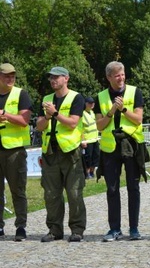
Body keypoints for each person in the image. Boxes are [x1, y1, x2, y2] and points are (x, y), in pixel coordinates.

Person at [95, 61, 147, 241]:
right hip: (110, 147)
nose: (121, 78)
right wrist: (111, 111)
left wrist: (124, 109)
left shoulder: (135, 92)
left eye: (123, 74)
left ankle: (134, 228)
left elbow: (138, 119)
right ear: (109, 77)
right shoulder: (100, 96)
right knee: (112, 188)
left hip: (130, 145)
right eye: (117, 75)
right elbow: (99, 125)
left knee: (133, 187)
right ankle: (114, 228)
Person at [37, 66, 87, 242]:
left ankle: (77, 229)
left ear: (66, 78)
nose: (53, 80)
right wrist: (48, 117)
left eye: (57, 77)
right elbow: (39, 125)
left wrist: (55, 113)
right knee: (51, 194)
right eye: (51, 77)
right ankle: (54, 229)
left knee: (74, 193)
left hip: (70, 152)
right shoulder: (46, 99)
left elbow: (73, 123)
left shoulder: (76, 97)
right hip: (50, 152)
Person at [0, 63, 32, 241]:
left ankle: (21, 226)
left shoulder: (21, 94)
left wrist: (5, 114)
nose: (10, 78)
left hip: (14, 151)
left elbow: (24, 120)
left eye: (12, 75)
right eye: (6, 75)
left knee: (17, 190)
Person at [80, 97, 99, 179]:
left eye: (93, 103)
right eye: (90, 103)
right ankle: (87, 174)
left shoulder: (92, 113)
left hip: (95, 139)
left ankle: (92, 172)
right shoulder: (82, 114)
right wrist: (82, 140)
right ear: (86, 104)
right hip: (87, 140)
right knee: (88, 158)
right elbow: (80, 129)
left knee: (96, 157)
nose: (92, 105)